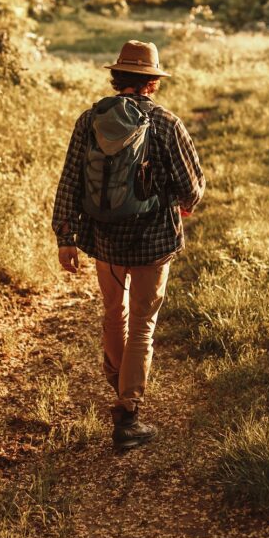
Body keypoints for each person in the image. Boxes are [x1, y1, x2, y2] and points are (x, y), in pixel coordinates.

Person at [52, 40, 205, 450]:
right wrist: (181, 203)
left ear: (117, 77)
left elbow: (71, 179)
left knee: (113, 314)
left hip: (104, 239)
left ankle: (120, 385)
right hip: (153, 240)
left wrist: (66, 237)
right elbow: (191, 187)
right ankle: (127, 413)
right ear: (152, 82)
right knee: (142, 325)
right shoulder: (166, 123)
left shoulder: (89, 121)